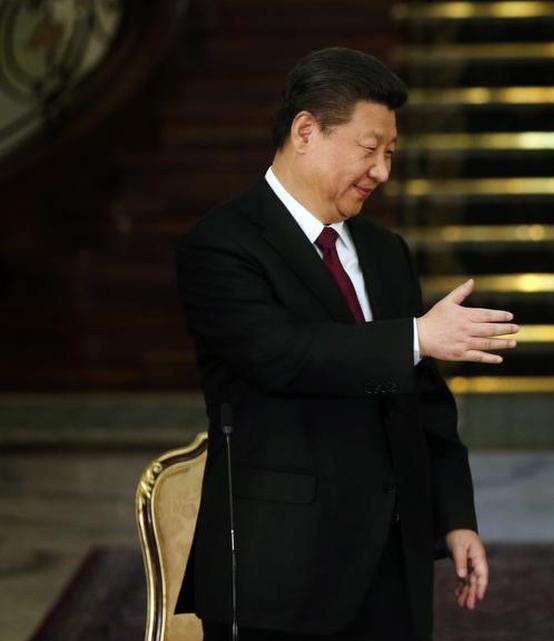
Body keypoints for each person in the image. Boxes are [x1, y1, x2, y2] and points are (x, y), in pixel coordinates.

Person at [174, 47, 519, 641]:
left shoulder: (386, 251)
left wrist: (456, 517)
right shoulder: (221, 244)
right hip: (281, 569)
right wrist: (416, 336)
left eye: (391, 153)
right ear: (306, 132)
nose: (382, 171)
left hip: (393, 564)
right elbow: (281, 356)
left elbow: (425, 402)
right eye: (369, 149)